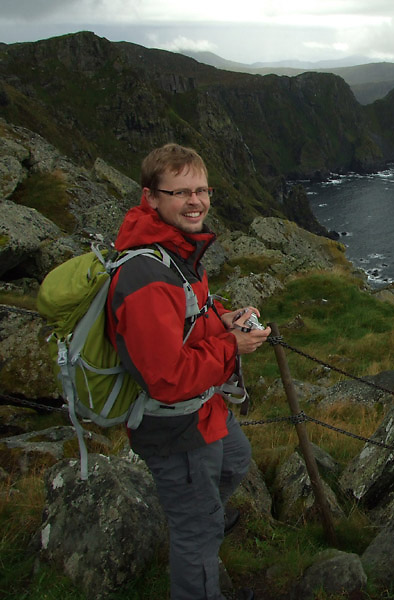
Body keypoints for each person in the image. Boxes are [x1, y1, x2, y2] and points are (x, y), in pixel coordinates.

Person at [107, 143, 270, 600]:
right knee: (197, 538)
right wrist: (231, 346)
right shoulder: (145, 274)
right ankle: (196, 535)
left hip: (204, 407)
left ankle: (196, 513)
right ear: (151, 198)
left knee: (235, 461)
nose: (195, 200)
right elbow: (166, 378)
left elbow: (192, 309)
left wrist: (224, 318)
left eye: (201, 189)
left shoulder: (174, 252)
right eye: (180, 192)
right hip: (174, 424)